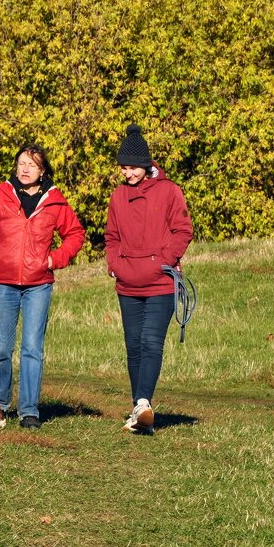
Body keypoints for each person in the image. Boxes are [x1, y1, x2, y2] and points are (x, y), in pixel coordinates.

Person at [0, 143, 85, 429]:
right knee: (1, 350)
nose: (25, 169)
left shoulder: (54, 200)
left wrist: (55, 259)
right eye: (21, 164)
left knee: (32, 349)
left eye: (31, 165)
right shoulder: (0, 195)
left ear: (42, 170)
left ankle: (29, 411)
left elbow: (76, 234)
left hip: (38, 285)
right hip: (2, 284)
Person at [104, 124, 193, 435]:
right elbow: (111, 237)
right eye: (124, 168)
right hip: (127, 283)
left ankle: (142, 403)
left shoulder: (170, 192)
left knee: (150, 342)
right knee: (133, 347)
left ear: (146, 164)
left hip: (160, 282)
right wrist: (114, 263)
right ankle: (140, 411)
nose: (127, 173)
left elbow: (183, 231)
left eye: (132, 167)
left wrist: (163, 262)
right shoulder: (117, 197)